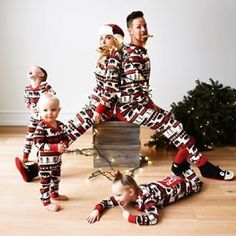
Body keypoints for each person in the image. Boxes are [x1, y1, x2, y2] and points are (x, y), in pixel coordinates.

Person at [114, 11, 234, 181]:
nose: (143, 29)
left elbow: (140, 90)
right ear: (130, 31)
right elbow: (136, 91)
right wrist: (150, 105)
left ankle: (179, 165)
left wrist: (151, 105)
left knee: (175, 123)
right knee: (173, 125)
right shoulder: (133, 55)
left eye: (145, 25)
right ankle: (204, 166)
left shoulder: (139, 51)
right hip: (129, 108)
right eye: (138, 27)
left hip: (138, 104)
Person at [65, 24, 124, 141]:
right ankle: (54, 146)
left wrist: (100, 109)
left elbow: (111, 90)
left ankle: (57, 149)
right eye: (101, 38)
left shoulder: (115, 59)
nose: (103, 41)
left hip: (108, 107)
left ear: (117, 40)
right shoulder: (106, 57)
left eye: (108, 37)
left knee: (82, 120)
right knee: (76, 121)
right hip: (97, 101)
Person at [87, 169, 203, 225]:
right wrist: (97, 209)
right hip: (165, 183)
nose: (116, 198)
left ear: (131, 192)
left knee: (194, 183)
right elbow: (108, 201)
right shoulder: (129, 195)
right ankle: (180, 169)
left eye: (118, 195)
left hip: (183, 187)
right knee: (174, 177)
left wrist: (131, 218)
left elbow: (153, 218)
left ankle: (184, 170)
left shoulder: (147, 199)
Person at [15, 65, 56, 182]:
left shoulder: (44, 86)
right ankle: (25, 158)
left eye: (33, 69)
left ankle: (40, 160)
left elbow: (51, 97)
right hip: (34, 117)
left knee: (42, 138)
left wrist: (44, 106)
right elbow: (26, 101)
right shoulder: (27, 88)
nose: (29, 69)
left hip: (44, 118)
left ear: (41, 74)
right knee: (29, 136)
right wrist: (29, 107)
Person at [33, 93, 70, 212]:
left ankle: (55, 194)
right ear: (39, 111)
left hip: (57, 160)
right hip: (45, 162)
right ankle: (46, 201)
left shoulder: (60, 125)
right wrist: (55, 147)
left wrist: (64, 145)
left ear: (59, 110)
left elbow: (66, 137)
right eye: (45, 110)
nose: (49, 113)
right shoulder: (41, 127)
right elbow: (38, 143)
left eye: (53, 110)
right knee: (45, 181)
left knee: (56, 177)